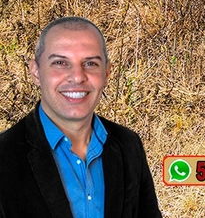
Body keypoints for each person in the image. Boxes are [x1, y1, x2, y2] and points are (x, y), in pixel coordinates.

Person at [0, 17, 162, 218]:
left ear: (106, 72)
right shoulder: (4, 156)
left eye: (90, 63)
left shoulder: (128, 145)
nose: (77, 77)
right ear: (35, 72)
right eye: (60, 63)